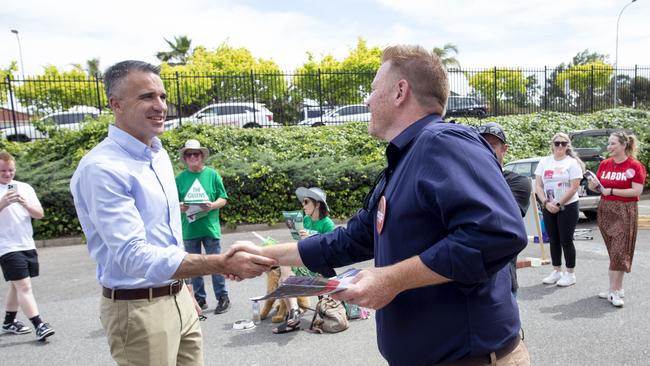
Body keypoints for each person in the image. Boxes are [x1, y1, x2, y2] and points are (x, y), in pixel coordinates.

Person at [229, 45, 529, 365]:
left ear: (400, 91)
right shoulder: (404, 161)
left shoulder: (443, 143)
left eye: (372, 90)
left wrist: (390, 280)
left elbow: (498, 234)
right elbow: (351, 239)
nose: (367, 100)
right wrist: (263, 255)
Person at [70, 60, 275, 366]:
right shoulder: (101, 169)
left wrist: (184, 288)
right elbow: (134, 255)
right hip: (139, 310)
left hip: (178, 297)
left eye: (163, 96)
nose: (160, 106)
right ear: (116, 105)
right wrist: (218, 263)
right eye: (147, 97)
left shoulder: (159, 154)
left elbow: (167, 237)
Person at [0, 152, 55, 341]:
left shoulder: (25, 188)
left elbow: (39, 214)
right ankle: (39, 324)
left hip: (26, 244)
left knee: (17, 286)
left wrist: (25, 204)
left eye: (10, 170)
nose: (7, 174)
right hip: (6, 247)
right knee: (24, 285)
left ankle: (8, 322)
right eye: (3, 171)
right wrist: (2, 203)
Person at [590, 132, 645, 307]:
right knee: (614, 251)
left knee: (619, 251)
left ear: (623, 145)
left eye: (613, 144)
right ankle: (617, 287)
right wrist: (594, 186)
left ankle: (613, 292)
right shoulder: (605, 164)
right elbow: (600, 188)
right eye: (608, 144)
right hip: (606, 210)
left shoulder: (635, 166)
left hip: (624, 210)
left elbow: (636, 191)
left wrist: (612, 191)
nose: (609, 147)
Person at [176, 139, 231, 314]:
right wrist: (180, 207)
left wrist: (212, 206)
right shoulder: (180, 179)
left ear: (202, 156)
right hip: (190, 229)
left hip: (209, 228)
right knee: (194, 267)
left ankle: (222, 297)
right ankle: (200, 299)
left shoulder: (212, 175)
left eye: (196, 154)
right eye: (188, 154)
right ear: (184, 158)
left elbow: (223, 198)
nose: (192, 157)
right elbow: (171, 203)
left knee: (216, 264)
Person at [477, 123, 531, 296]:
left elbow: (500, 222)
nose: (486, 150)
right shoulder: (465, 179)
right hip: (467, 276)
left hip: (503, 278)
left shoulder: (518, 182)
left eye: (491, 145)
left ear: (504, 149)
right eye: (481, 144)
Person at [273, 187, 335, 334]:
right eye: (303, 202)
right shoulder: (305, 220)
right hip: (304, 265)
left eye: (306, 202)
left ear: (318, 204)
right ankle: (294, 312)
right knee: (284, 263)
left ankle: (292, 317)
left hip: (319, 270)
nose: (303, 205)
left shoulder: (327, 224)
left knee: (285, 272)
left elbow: (331, 255)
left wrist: (311, 241)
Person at [534, 133, 584, 287]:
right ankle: (557, 271)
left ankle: (570, 273)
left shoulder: (572, 163)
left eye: (563, 143)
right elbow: (538, 185)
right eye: (557, 143)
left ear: (568, 145)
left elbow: (574, 187)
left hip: (567, 206)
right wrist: (545, 202)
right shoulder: (544, 162)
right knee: (553, 240)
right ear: (553, 145)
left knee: (566, 241)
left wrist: (558, 203)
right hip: (548, 206)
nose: (560, 146)